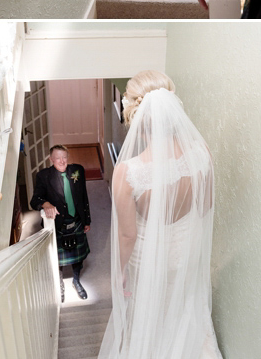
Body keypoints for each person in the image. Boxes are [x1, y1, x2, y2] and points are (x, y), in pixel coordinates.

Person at [98, 71, 223, 359]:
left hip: (150, 260)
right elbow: (205, 207)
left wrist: (119, 273)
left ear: (137, 118)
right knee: (183, 308)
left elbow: (128, 235)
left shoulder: (129, 172)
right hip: (187, 252)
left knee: (150, 316)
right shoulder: (201, 152)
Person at [30, 145, 92, 301]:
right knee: (58, 258)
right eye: (57, 158)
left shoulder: (78, 170)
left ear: (68, 157)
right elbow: (34, 200)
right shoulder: (43, 176)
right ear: (51, 159)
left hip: (76, 220)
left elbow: (84, 196)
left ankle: (76, 281)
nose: (62, 161)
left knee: (78, 257)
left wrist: (87, 219)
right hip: (59, 224)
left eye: (64, 157)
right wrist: (46, 204)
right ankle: (60, 283)